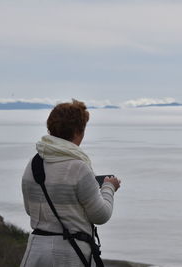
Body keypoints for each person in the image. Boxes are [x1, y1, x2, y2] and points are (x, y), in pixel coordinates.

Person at [20, 100, 121, 267]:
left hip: (36, 253)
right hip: (69, 256)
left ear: (50, 129)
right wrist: (109, 187)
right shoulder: (79, 168)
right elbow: (101, 215)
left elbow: (29, 210)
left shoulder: (33, 163)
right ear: (78, 131)